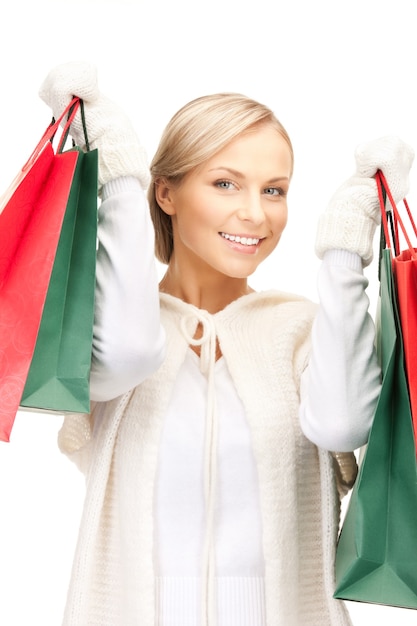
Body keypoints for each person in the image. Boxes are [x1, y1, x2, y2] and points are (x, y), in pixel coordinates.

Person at [39, 61, 414, 626]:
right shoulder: (110, 333)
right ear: (165, 192)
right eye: (224, 183)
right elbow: (129, 353)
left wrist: (343, 254)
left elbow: (343, 424)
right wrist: (118, 178)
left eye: (274, 190)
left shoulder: (299, 329)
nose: (255, 214)